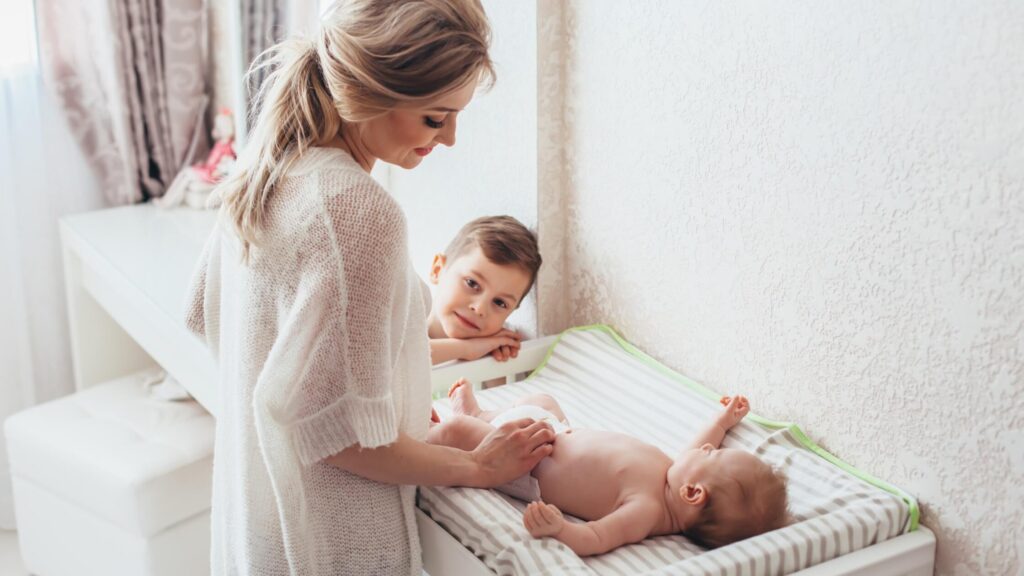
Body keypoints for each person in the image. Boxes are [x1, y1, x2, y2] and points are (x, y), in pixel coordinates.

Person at [184, 1, 554, 574]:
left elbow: (202, 313)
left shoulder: (268, 168)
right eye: (436, 118)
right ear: (370, 93)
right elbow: (347, 440)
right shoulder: (356, 210)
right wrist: (479, 467)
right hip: (328, 539)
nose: (451, 138)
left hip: (253, 522)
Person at [429, 382, 789, 555]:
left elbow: (597, 538)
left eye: (713, 456)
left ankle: (433, 434)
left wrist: (559, 529)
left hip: (525, 465)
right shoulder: (675, 474)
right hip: (553, 430)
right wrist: (723, 420)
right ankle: (479, 417)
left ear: (693, 493)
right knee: (541, 400)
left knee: (454, 432)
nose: (709, 448)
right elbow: (702, 441)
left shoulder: (646, 509)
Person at [426, 215, 542, 365]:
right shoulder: (402, 326)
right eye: (472, 283)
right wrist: (466, 349)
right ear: (437, 270)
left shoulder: (498, 348)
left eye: (500, 303)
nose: (479, 308)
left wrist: (495, 358)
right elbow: (402, 356)